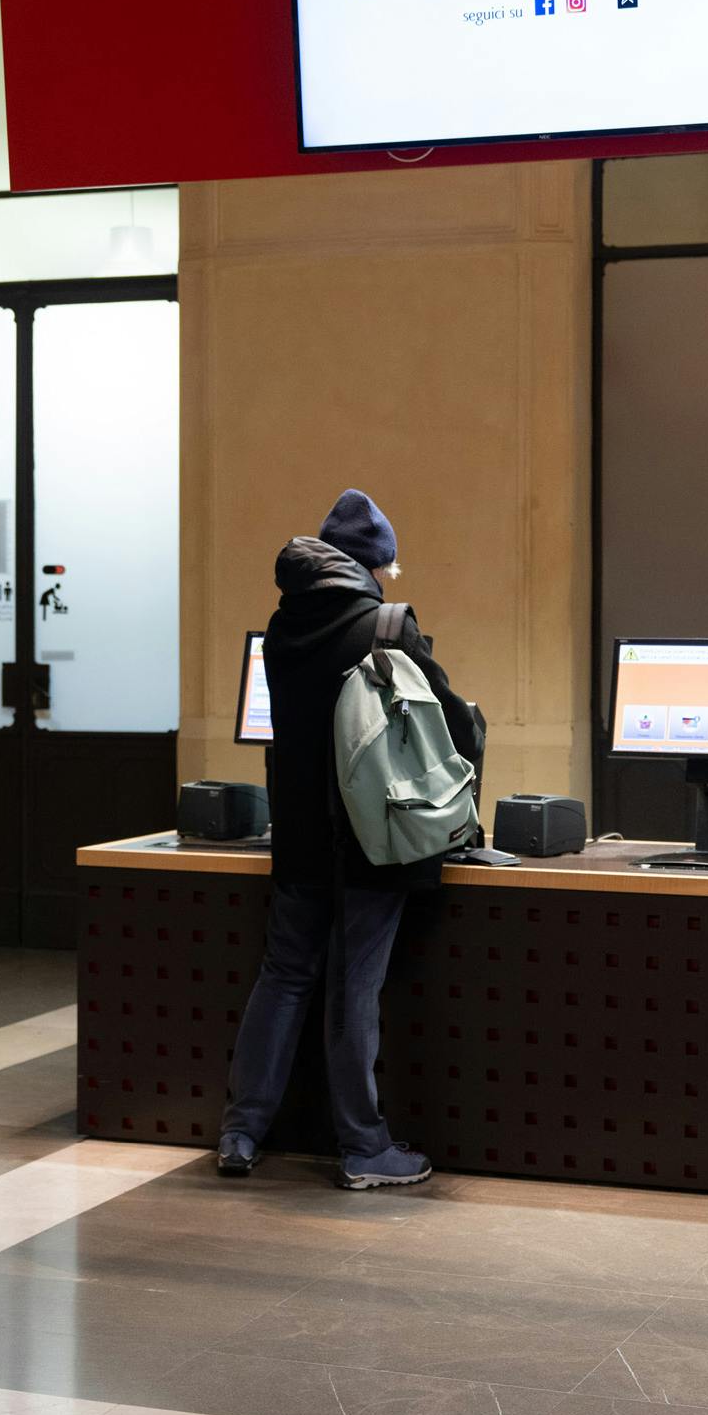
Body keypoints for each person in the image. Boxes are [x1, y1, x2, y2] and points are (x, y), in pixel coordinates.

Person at [216, 489, 481, 1191]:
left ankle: (242, 1131)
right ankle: (364, 1148)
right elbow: (453, 728)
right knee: (352, 990)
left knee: (284, 975)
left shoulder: (281, 625)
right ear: (371, 565)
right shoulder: (387, 625)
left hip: (297, 835)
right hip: (375, 838)